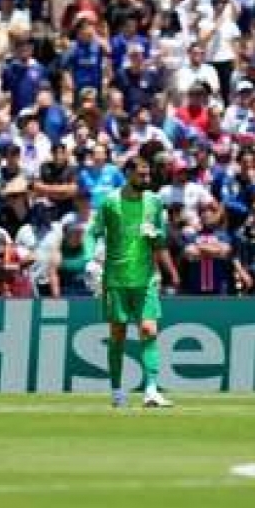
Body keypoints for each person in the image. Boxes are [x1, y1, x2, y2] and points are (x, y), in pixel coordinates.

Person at [89, 155, 179, 408]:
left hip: (146, 278)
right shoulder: (110, 202)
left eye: (148, 175)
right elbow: (94, 233)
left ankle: (151, 389)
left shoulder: (155, 202)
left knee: (149, 330)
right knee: (117, 333)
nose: (146, 179)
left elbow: (160, 242)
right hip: (116, 278)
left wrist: (157, 236)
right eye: (141, 174)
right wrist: (91, 259)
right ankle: (117, 391)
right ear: (128, 173)